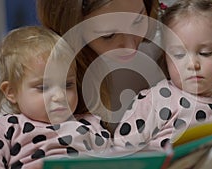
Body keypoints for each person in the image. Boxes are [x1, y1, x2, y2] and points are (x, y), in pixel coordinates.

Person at [112, 0, 212, 151]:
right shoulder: (155, 101)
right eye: (179, 55)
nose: (193, 65)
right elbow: (122, 149)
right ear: (166, 58)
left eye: (205, 53)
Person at [0, 26, 111, 169]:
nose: (59, 96)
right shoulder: (6, 128)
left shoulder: (90, 124)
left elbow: (117, 161)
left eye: (68, 84)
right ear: (11, 92)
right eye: (43, 87)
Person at [36, 0, 164, 134]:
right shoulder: (41, 78)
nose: (131, 47)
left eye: (138, 20)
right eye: (108, 36)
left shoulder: (165, 47)